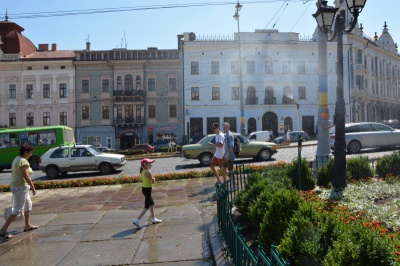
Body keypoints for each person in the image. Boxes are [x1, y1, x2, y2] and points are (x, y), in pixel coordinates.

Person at [0, 143, 38, 239]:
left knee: (28, 204)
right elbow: (26, 176)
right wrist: (33, 187)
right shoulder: (23, 161)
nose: (31, 155)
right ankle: (3, 230)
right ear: (25, 152)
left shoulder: (17, 158)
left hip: (20, 186)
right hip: (20, 187)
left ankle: (27, 225)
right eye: (30, 152)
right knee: (17, 209)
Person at [133, 158, 162, 228]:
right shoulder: (148, 172)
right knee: (146, 207)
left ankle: (154, 219)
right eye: (149, 163)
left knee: (151, 204)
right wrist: (154, 179)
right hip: (148, 190)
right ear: (145, 165)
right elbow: (153, 181)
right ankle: (137, 220)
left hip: (144, 189)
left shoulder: (142, 171)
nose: (151, 164)